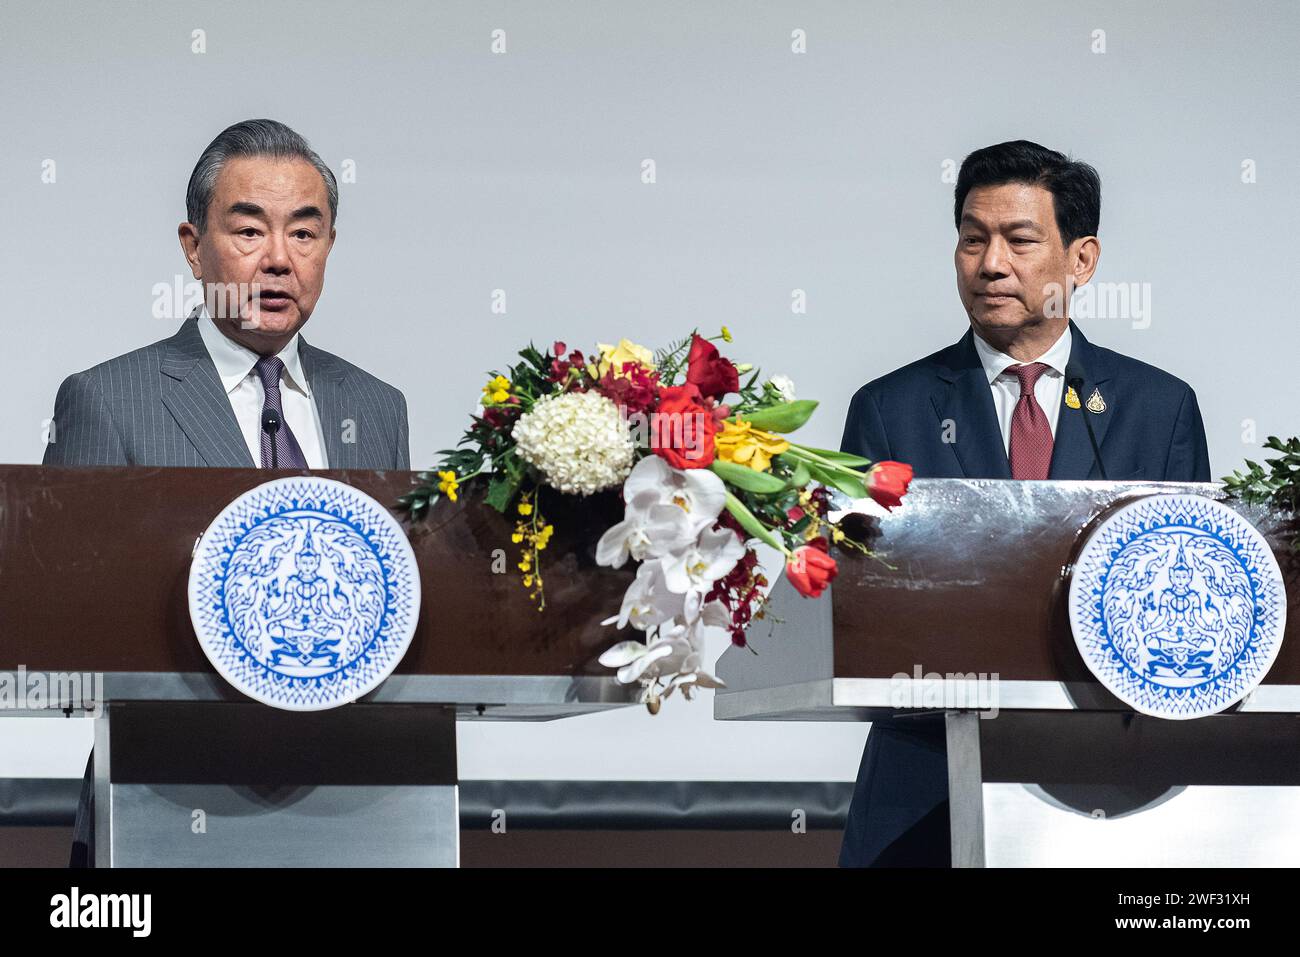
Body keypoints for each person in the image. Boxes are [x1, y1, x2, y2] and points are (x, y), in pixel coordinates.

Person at [42, 118, 410, 866]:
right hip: (162, 803)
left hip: (364, 805)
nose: (278, 259)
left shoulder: (374, 405)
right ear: (192, 245)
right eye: (250, 231)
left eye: (305, 235)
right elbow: (58, 613)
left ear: (329, 246)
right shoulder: (108, 399)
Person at [838, 139, 1210, 867]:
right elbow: (855, 610)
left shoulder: (1157, 409)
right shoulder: (889, 409)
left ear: (1081, 260)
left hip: (1112, 790)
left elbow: (1190, 600)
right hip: (926, 793)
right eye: (972, 239)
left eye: (1019, 239)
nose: (991, 264)